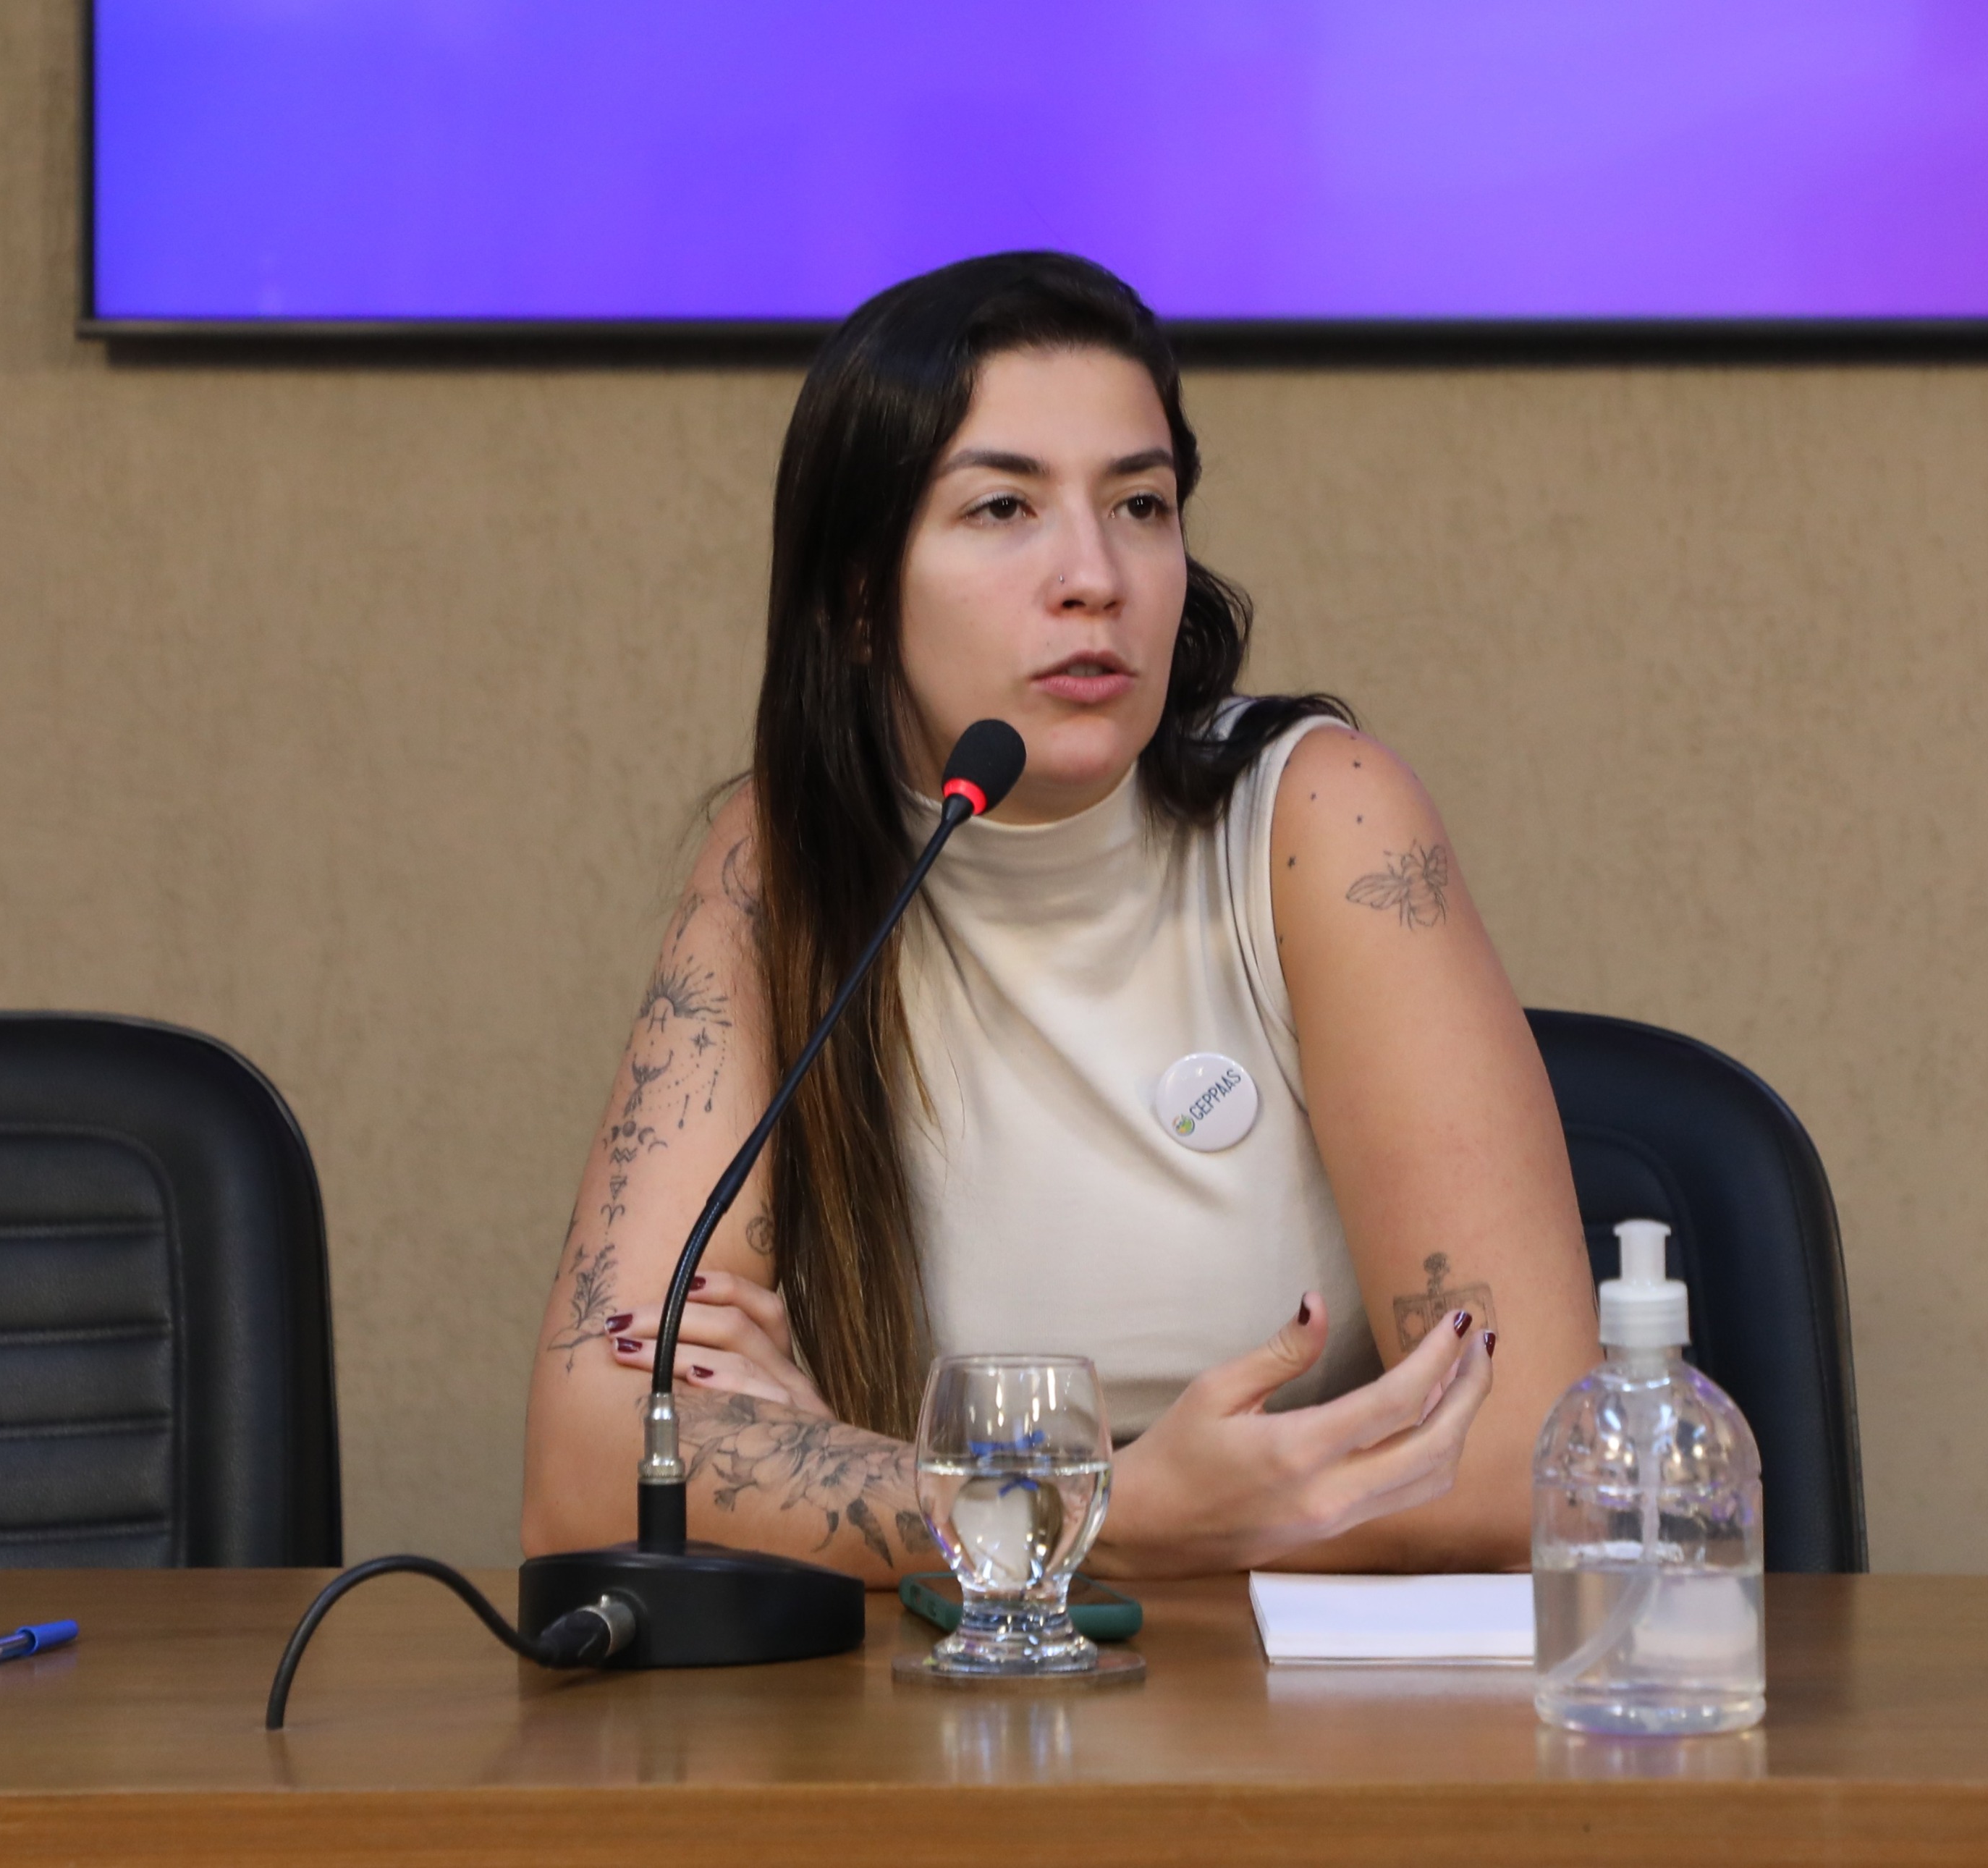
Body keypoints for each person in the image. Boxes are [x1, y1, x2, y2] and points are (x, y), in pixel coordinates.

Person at [523, 252, 1594, 1580]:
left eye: (1140, 503)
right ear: (858, 598)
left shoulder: (1322, 820)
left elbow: (1530, 1457)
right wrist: (1121, 1511)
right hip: (953, 1697)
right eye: (1003, 507)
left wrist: (864, 1477)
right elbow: (591, 1473)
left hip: (1281, 1699)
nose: (1095, 575)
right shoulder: (780, 864)